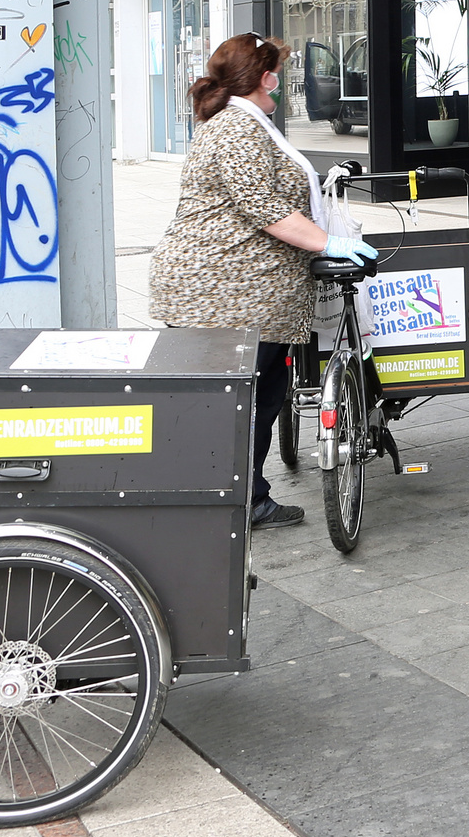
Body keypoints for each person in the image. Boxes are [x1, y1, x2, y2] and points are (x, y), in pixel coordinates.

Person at [148, 33, 377, 530]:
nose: (282, 79)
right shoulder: (237, 128)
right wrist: (328, 243)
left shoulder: (240, 124)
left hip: (234, 292)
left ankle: (239, 496)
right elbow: (263, 205)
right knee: (246, 402)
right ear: (260, 77)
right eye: (275, 69)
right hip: (227, 293)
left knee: (257, 397)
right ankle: (234, 502)